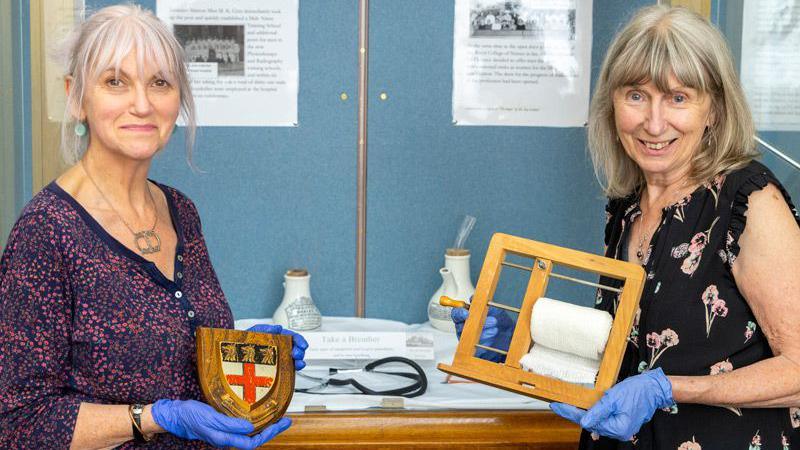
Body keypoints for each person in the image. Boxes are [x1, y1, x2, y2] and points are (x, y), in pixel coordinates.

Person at [453, 5, 800, 449]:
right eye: (636, 95)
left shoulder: (748, 202)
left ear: (713, 109)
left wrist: (669, 389)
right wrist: (519, 341)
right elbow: (631, 352)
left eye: (678, 97)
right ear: (612, 104)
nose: (654, 123)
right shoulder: (628, 207)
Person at [0, 5, 307, 449]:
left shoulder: (180, 210)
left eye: (159, 82)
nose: (141, 103)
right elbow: (20, 423)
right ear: (75, 96)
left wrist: (240, 356)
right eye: (115, 82)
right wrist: (154, 417)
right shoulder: (46, 231)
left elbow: (171, 346)